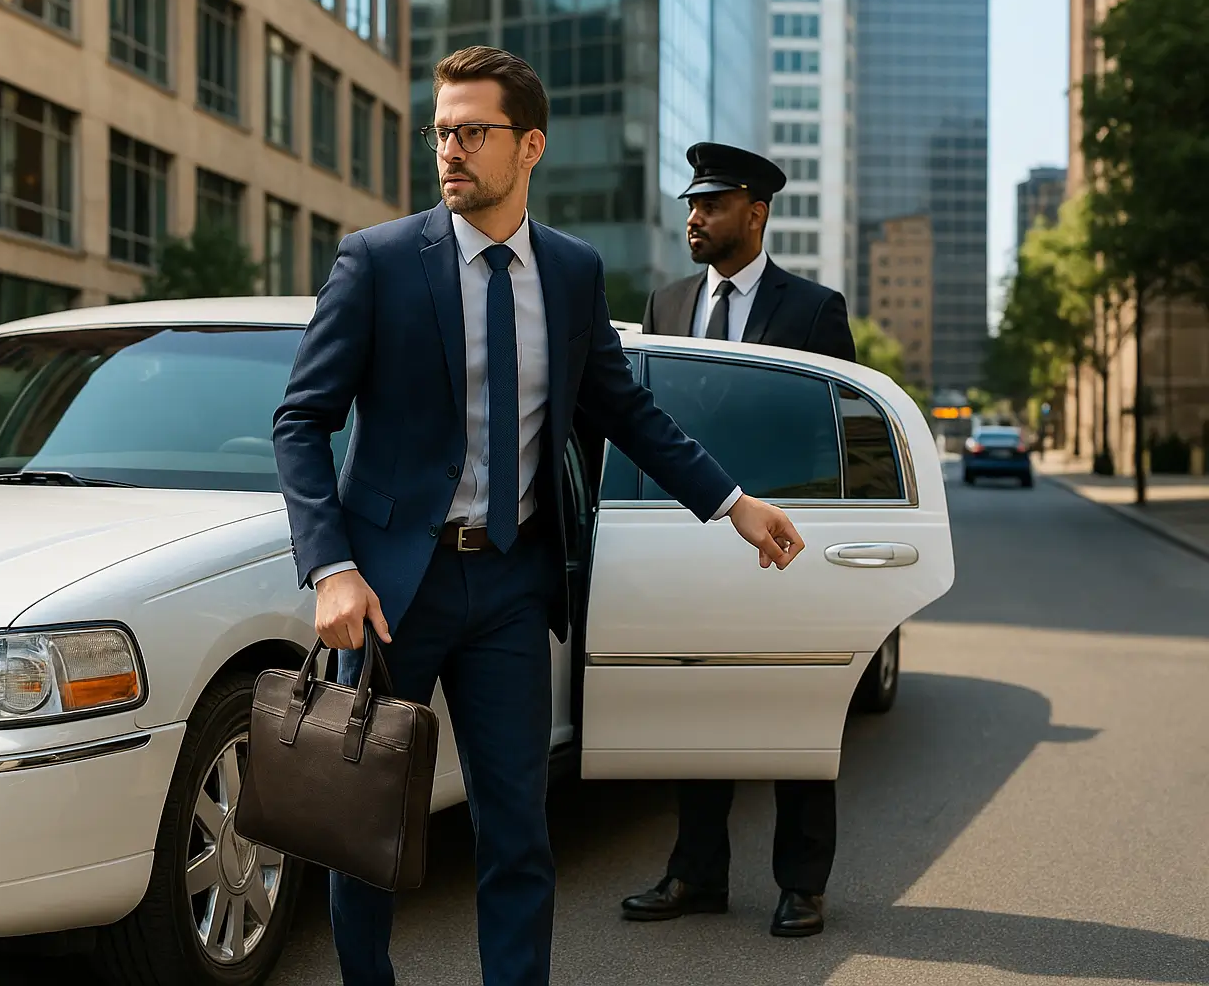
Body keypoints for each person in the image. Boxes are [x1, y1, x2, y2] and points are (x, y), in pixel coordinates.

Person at [272, 52, 809, 986]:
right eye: (441, 131)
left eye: (472, 132)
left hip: (515, 586)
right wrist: (331, 569)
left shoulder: (570, 271)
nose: (451, 150)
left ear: (530, 146)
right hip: (395, 589)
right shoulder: (379, 261)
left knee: (517, 832)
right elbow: (300, 420)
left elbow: (624, 410)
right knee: (361, 828)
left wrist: (734, 504)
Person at [621, 141, 855, 938]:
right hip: (693, 540)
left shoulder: (815, 309)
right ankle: (697, 874)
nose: (694, 216)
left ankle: (802, 885)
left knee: (796, 710)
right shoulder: (666, 303)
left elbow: (833, 434)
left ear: (755, 212)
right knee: (699, 709)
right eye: (691, 204)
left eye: (711, 205)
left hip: (785, 543)